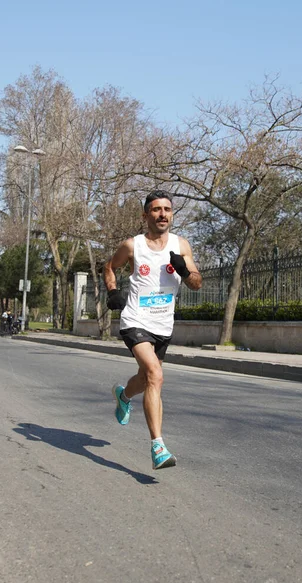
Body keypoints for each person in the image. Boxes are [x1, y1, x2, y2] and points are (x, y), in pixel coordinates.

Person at [103, 190, 202, 470]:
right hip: (135, 320)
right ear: (145, 215)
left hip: (163, 324)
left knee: (146, 378)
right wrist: (112, 291)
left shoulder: (181, 245)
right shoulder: (133, 246)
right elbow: (109, 266)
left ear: (172, 214)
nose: (162, 214)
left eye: (167, 210)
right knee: (156, 376)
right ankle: (157, 446)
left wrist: (185, 271)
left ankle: (123, 396)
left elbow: (197, 283)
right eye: (156, 210)